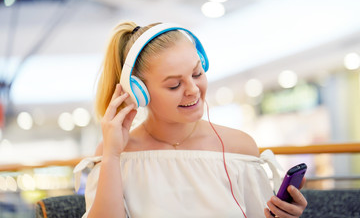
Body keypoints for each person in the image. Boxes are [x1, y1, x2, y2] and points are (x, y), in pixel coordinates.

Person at [74, 21, 308, 218]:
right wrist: (113, 155)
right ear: (139, 92)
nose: (193, 90)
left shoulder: (240, 148)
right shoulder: (115, 154)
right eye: (174, 85)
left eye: (197, 73)